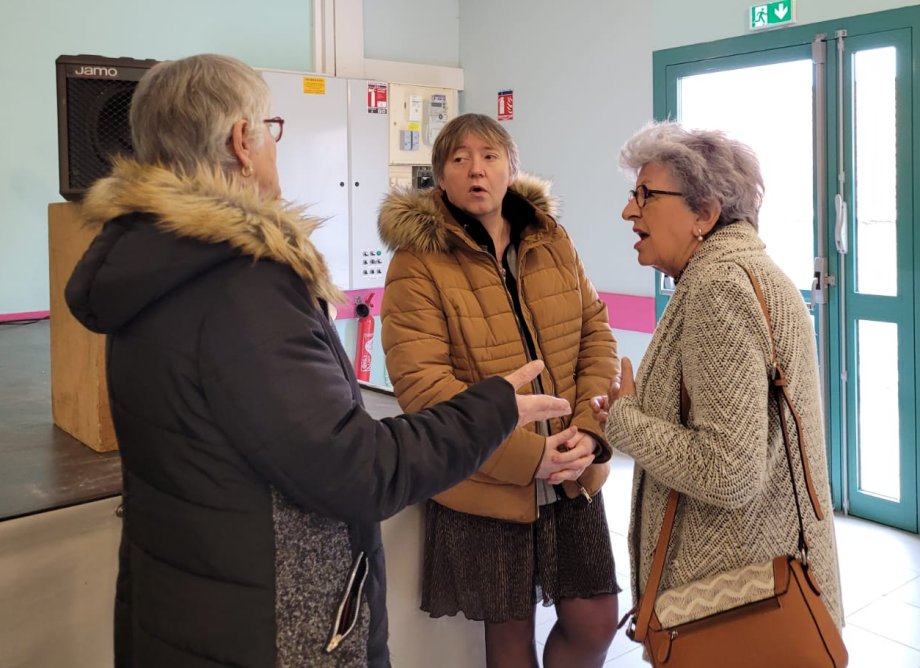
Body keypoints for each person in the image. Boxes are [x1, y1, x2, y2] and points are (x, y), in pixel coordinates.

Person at [64, 54, 573, 668]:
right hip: (273, 632)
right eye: (270, 127)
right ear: (242, 142)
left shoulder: (156, 265)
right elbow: (355, 470)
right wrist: (490, 410)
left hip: (187, 615)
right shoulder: (240, 285)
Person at [378, 113, 620, 668]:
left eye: (489, 156)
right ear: (440, 178)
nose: (476, 170)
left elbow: (595, 334)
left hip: (573, 470)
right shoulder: (417, 262)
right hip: (487, 477)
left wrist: (588, 432)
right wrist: (528, 455)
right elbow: (421, 384)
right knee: (508, 638)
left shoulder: (551, 239)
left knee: (596, 622)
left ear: (511, 168)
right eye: (459, 159)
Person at [593, 120, 843, 635]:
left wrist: (626, 422)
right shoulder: (745, 271)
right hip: (762, 584)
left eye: (646, 195)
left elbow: (728, 471)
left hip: (734, 604)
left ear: (704, 214)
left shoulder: (719, 288)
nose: (628, 211)